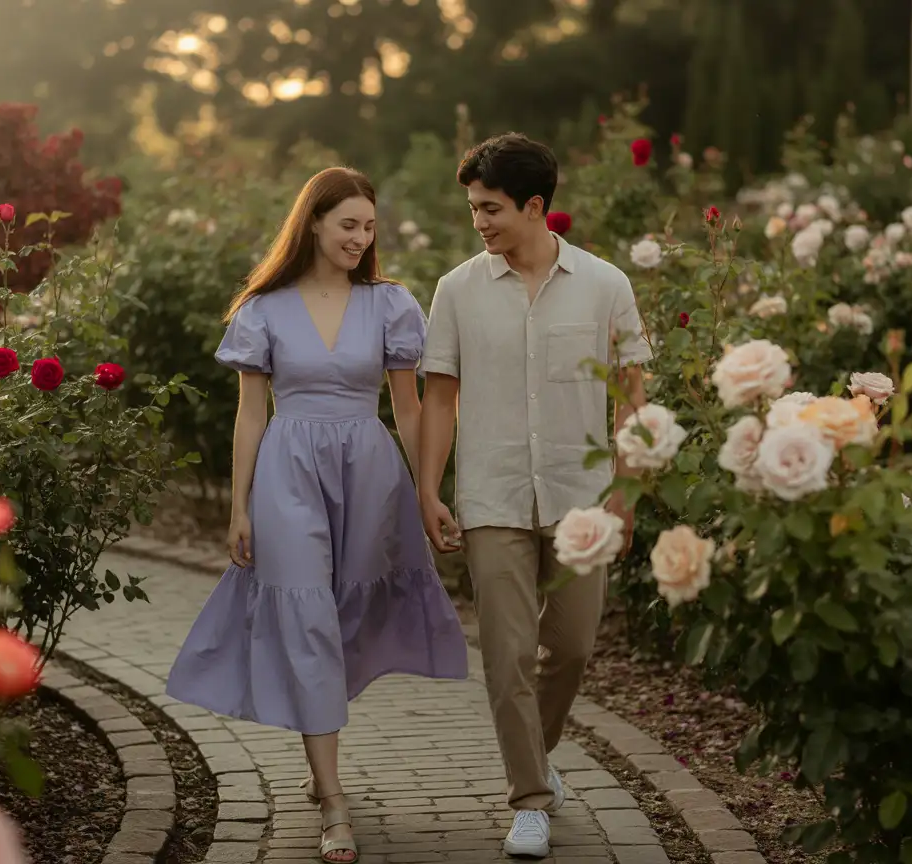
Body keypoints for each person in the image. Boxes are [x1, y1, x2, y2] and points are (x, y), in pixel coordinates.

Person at [166, 166, 469, 864]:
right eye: (348, 225)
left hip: (369, 473)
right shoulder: (263, 310)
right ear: (313, 224)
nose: (361, 239)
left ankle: (320, 743)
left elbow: (409, 406)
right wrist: (239, 505)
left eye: (369, 227)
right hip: (288, 473)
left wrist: (427, 492)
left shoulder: (390, 304)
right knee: (304, 614)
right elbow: (250, 415)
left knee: (344, 618)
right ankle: (334, 799)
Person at [418, 133, 651, 858]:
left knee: (574, 648)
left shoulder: (606, 285)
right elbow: (440, 400)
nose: (479, 222)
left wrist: (629, 494)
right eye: (472, 209)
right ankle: (529, 798)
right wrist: (428, 489)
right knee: (508, 654)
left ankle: (536, 757)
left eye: (490, 209)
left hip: (584, 496)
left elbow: (633, 399)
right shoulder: (457, 290)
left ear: (535, 206)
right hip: (491, 496)